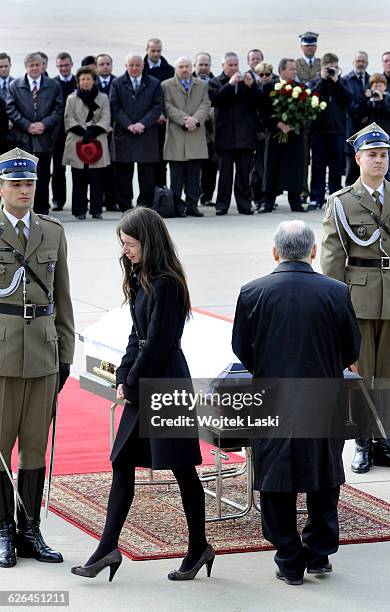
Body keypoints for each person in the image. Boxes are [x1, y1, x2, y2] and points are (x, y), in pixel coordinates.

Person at [71, 207, 214, 581]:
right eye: (122, 244)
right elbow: (138, 335)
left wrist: (132, 382)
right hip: (144, 379)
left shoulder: (167, 282)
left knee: (183, 469)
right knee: (122, 462)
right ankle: (108, 548)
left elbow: (162, 343)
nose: (125, 251)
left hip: (166, 383)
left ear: (147, 242)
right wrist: (123, 374)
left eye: (130, 243)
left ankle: (199, 546)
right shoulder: (141, 276)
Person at [232, 220, 360, 585]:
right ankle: (319, 553)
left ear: (275, 252)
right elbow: (351, 348)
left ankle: (289, 558)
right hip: (322, 393)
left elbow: (241, 348)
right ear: (313, 251)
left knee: (275, 476)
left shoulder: (252, 292)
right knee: (323, 471)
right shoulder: (336, 292)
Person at [0, 147, 75, 568]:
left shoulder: (52, 232)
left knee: (33, 447)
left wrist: (65, 354)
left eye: (29, 183)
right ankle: (2, 529)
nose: (24, 190)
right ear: (1, 187)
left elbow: (62, 298)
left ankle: (29, 529)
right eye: (16, 184)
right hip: (1, 354)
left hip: (43, 353)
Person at [321, 122, 390, 473]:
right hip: (359, 298)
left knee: (388, 373)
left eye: (384, 155)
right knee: (361, 373)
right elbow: (333, 259)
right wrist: (336, 306)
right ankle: (362, 441)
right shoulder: (342, 202)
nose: (379, 161)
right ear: (358, 157)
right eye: (373, 155)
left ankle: (384, 438)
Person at [6, 52, 63, 214]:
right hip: (23, 139)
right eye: (31, 65)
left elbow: (58, 109)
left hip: (45, 139)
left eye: (38, 65)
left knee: (43, 176)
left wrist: (43, 124)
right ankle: (22, 209)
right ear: (26, 67)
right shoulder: (15, 86)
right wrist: (27, 125)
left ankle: (42, 210)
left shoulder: (53, 86)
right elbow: (11, 108)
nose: (35, 68)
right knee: (23, 177)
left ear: (42, 66)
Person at [209, 52, 260, 215]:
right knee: (225, 174)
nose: (233, 68)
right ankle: (222, 204)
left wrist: (252, 86)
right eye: (230, 65)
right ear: (223, 66)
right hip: (225, 136)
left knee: (244, 174)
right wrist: (230, 85)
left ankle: (244, 204)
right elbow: (216, 100)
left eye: (235, 65)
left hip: (245, 136)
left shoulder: (247, 81)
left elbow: (259, 101)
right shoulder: (215, 82)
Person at [110, 53, 162, 212]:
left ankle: (144, 206)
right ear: (126, 66)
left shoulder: (153, 83)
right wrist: (129, 125)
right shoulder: (117, 83)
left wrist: (142, 124)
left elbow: (157, 106)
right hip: (124, 134)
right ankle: (125, 205)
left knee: (147, 173)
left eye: (137, 65)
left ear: (143, 66)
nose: (134, 68)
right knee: (124, 173)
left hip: (146, 134)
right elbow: (115, 107)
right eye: (131, 65)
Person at [162, 56, 211, 217]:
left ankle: (192, 206)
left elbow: (206, 104)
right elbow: (167, 106)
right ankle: (176, 206)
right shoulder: (167, 85)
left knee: (194, 175)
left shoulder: (202, 85)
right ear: (175, 69)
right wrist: (185, 120)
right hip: (177, 133)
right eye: (181, 67)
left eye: (187, 66)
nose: (184, 69)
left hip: (195, 133)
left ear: (192, 68)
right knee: (176, 176)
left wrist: (195, 120)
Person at [63, 66, 111, 220]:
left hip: (97, 140)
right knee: (78, 178)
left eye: (88, 79)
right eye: (82, 79)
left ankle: (96, 210)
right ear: (78, 81)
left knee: (97, 178)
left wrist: (93, 131)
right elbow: (68, 117)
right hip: (77, 140)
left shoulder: (103, 98)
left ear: (94, 81)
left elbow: (106, 117)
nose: (85, 82)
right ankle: (79, 210)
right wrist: (83, 132)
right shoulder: (71, 98)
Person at [308, 53, 353, 209]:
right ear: (322, 67)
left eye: (333, 67)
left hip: (337, 131)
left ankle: (335, 196)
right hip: (318, 131)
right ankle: (316, 197)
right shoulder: (315, 82)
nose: (331, 71)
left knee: (336, 166)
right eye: (328, 68)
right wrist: (322, 79)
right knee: (318, 165)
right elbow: (311, 96)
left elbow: (349, 98)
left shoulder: (343, 82)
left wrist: (336, 81)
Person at [262, 58, 307, 213]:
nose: (295, 72)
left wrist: (294, 123)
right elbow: (264, 112)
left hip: (294, 135)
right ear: (282, 71)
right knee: (272, 167)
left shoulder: (301, 88)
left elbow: (306, 113)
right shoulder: (269, 87)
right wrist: (279, 124)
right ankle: (267, 202)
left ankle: (295, 202)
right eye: (292, 69)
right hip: (275, 135)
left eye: (295, 69)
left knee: (294, 168)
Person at [142, 38, 174, 187]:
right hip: (146, 121)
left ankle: (161, 194)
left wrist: (163, 113)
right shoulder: (138, 68)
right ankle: (147, 195)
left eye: (158, 51)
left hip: (164, 122)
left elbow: (170, 96)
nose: (156, 54)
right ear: (147, 49)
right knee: (146, 161)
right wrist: (153, 115)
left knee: (162, 160)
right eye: (153, 50)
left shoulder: (169, 70)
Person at [52, 52, 77, 211]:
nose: (64, 68)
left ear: (71, 64)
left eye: (66, 65)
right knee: (58, 168)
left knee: (79, 169)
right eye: (60, 66)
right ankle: (58, 200)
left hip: (76, 132)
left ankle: (80, 200)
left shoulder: (79, 81)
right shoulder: (53, 83)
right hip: (58, 133)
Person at [193, 52, 218, 206]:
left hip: (211, 131)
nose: (203, 68)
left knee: (210, 166)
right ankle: (192, 196)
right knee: (194, 166)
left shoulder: (215, 82)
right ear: (195, 65)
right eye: (200, 64)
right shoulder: (188, 81)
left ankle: (207, 196)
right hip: (193, 128)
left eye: (206, 65)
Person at [344, 51, 371, 186]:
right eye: (358, 61)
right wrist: (359, 116)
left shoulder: (371, 80)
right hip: (352, 129)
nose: (360, 64)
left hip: (367, 130)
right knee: (351, 168)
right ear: (353, 63)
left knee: (366, 167)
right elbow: (348, 105)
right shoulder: (346, 80)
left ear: (367, 63)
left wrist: (367, 116)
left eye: (363, 61)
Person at [96, 53, 117, 211]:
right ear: (96, 66)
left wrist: (112, 124)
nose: (105, 66)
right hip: (96, 133)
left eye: (107, 64)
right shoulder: (91, 83)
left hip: (115, 131)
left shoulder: (117, 82)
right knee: (97, 168)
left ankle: (111, 201)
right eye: (102, 64)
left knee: (112, 169)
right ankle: (97, 199)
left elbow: (118, 106)